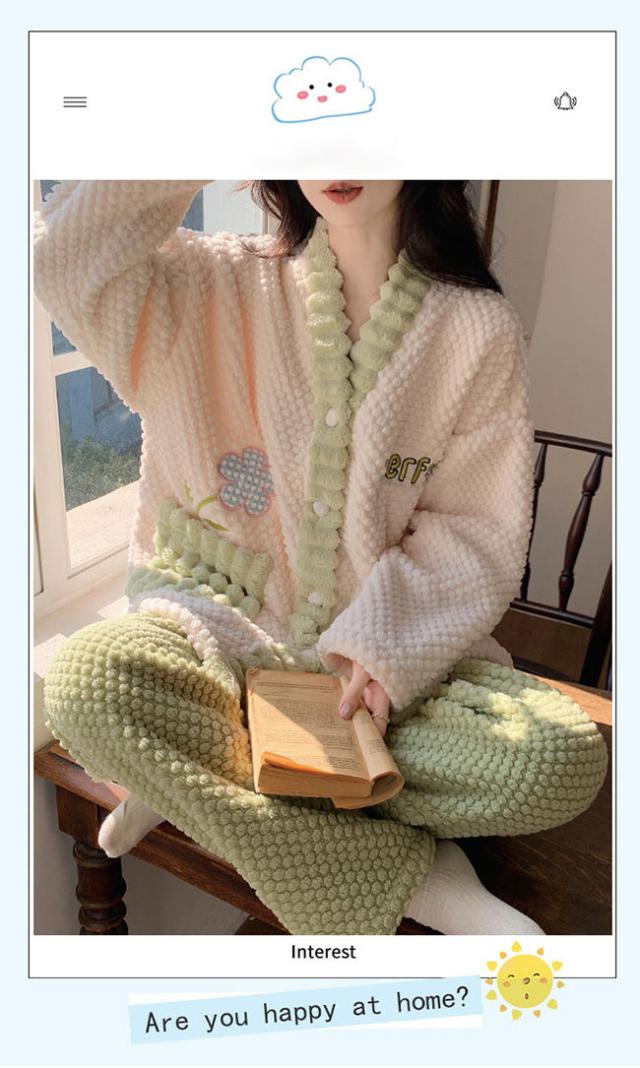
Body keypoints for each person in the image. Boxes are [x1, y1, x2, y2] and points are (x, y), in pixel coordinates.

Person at [34, 179, 608, 936]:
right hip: (219, 638)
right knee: (87, 686)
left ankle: (194, 780)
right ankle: (421, 881)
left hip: (376, 683)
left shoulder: (475, 329)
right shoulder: (209, 283)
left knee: (557, 761)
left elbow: (473, 529)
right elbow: (64, 259)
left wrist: (384, 646)